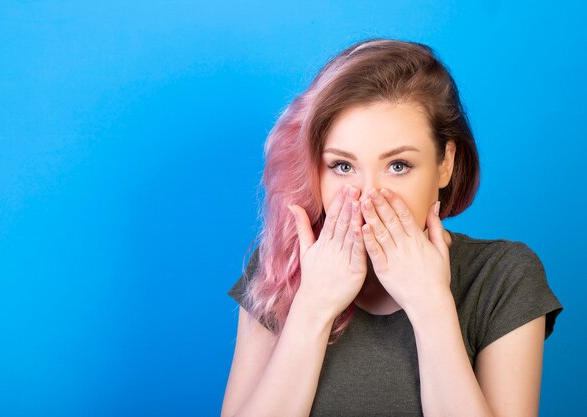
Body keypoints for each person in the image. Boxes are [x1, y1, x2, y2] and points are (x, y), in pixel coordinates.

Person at [221, 38, 563, 417]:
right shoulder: (279, 267)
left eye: (398, 165)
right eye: (343, 166)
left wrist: (430, 304)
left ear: (445, 164)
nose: (368, 196)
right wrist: (312, 306)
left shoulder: (503, 277)